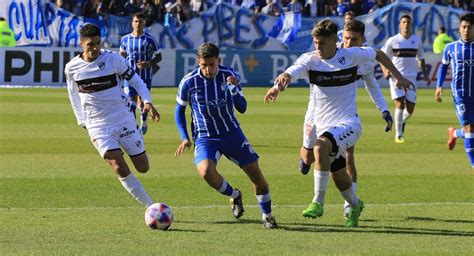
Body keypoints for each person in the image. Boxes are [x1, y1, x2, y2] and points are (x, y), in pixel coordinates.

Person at [264, 19, 410, 227]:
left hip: (348, 122)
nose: (318, 47)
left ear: (335, 40)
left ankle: (317, 202)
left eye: (322, 43)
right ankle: (355, 204)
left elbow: (378, 53)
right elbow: (292, 71)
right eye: (315, 43)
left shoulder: (351, 56)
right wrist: (279, 85)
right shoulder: (310, 60)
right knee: (332, 169)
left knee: (322, 146)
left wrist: (398, 78)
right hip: (318, 121)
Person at [174, 42, 278, 229]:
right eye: (203, 65)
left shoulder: (229, 75)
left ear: (218, 61)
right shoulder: (189, 82)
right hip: (205, 136)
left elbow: (242, 108)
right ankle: (235, 195)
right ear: (198, 62)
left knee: (256, 174)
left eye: (211, 64)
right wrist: (184, 137)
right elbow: (179, 111)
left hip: (231, 133)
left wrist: (234, 90)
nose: (207, 69)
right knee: (206, 171)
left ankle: (267, 215)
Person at [297, 19, 393, 219]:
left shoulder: (361, 60)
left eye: (354, 39)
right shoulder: (327, 55)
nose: (348, 43)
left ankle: (340, 206)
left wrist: (384, 110)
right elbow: (298, 67)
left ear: (363, 39)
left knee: (345, 155)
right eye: (346, 39)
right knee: (323, 163)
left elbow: (373, 87)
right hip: (317, 115)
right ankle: (355, 203)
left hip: (344, 118)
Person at [65, 24, 160, 208]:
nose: (94, 48)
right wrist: (82, 120)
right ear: (81, 44)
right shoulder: (72, 68)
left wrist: (147, 100)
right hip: (97, 125)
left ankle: (124, 145)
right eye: (90, 44)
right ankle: (151, 207)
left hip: (122, 118)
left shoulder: (113, 59)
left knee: (143, 167)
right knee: (117, 165)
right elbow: (72, 94)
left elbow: (136, 80)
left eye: (98, 43)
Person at [381, 15, 431, 144]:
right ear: (400, 24)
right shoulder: (393, 40)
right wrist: (385, 70)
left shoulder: (416, 41)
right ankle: (398, 135)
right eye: (404, 22)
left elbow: (421, 58)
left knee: (410, 110)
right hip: (396, 76)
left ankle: (401, 122)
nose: (406, 24)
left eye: (408, 22)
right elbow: (381, 56)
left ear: (411, 25)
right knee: (400, 104)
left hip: (411, 77)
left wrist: (425, 74)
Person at [435, 12, 474, 170]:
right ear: (459, 29)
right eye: (464, 27)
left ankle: (455, 133)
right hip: (460, 95)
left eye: (470, 28)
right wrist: (439, 86)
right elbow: (443, 66)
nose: (466, 30)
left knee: (470, 130)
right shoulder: (451, 48)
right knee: (470, 127)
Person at [120, 13, 161, 135]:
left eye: (141, 21)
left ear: (144, 23)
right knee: (131, 101)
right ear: (132, 23)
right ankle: (134, 127)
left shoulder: (150, 39)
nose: (138, 24)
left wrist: (149, 63)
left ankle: (144, 121)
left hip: (145, 76)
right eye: (136, 21)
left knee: (143, 103)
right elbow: (122, 54)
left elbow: (159, 56)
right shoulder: (125, 39)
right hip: (129, 75)